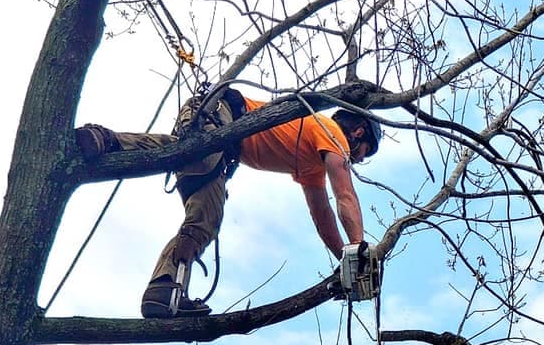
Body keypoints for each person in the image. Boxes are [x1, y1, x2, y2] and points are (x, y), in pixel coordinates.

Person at [75, 88, 381, 318]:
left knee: (205, 219)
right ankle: (107, 140)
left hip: (219, 140)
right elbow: (345, 194)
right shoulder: (330, 132)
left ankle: (164, 289)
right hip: (219, 115)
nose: (358, 159)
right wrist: (359, 249)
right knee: (198, 157)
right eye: (364, 152)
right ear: (358, 133)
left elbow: (322, 214)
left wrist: (345, 261)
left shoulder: (311, 165)